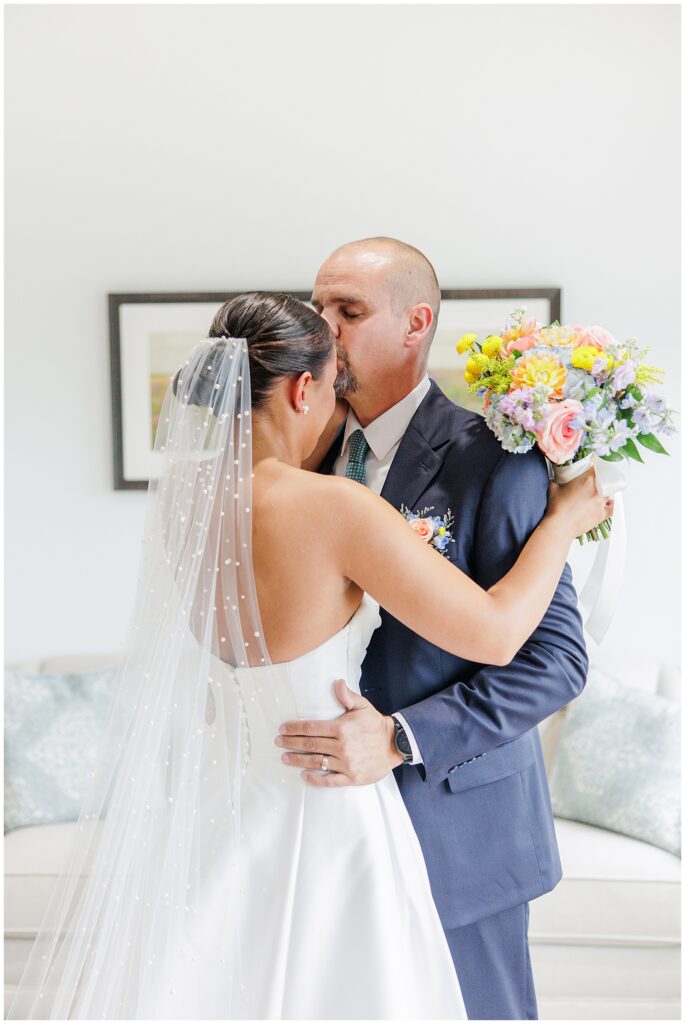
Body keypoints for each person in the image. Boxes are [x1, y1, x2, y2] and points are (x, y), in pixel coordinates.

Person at [7, 291, 610, 1020]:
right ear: (301, 388)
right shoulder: (334, 506)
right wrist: (561, 525)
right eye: (329, 383)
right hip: (328, 805)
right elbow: (497, 634)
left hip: (233, 800)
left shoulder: (186, 499)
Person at [276, 236, 593, 1020]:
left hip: (457, 822)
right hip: (314, 824)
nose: (322, 329)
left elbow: (554, 661)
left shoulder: (494, 460)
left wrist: (398, 738)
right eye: (316, 307)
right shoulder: (296, 461)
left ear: (415, 324)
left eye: (346, 311)